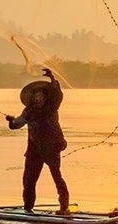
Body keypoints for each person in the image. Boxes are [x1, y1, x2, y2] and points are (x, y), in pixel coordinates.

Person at [6, 68, 71, 214]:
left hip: (52, 148)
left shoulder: (51, 107)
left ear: (45, 96)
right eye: (35, 93)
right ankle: (28, 208)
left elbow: (58, 95)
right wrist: (11, 121)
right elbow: (17, 124)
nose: (37, 95)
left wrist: (52, 78)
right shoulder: (29, 111)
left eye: (40, 93)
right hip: (34, 150)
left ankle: (64, 207)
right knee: (28, 180)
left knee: (57, 177)